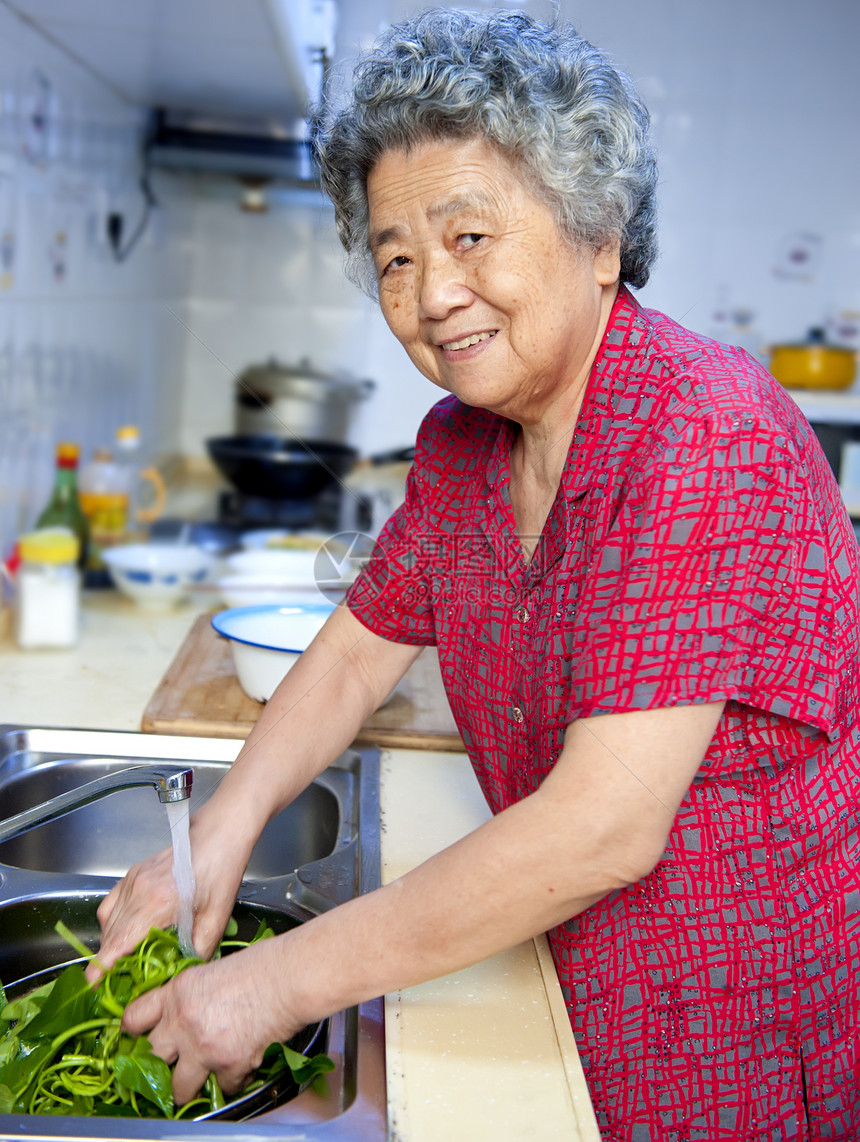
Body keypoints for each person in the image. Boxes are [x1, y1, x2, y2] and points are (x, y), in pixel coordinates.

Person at [89, 10, 860, 1139]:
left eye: (467, 238)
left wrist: (266, 983)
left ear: (598, 240)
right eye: (395, 257)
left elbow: (599, 829)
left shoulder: (704, 434)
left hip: (720, 1028)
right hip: (548, 963)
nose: (430, 293)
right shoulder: (464, 439)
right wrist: (216, 834)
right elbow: (357, 649)